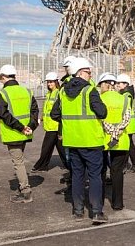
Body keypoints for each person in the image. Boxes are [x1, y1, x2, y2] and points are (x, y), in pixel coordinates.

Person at [51, 58, 108, 224]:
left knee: (77, 176)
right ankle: (96, 212)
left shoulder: (62, 92)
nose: (91, 75)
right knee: (95, 176)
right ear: (81, 73)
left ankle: (78, 211)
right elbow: (102, 112)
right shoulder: (90, 91)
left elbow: (55, 114)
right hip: (91, 141)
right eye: (89, 72)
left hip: (72, 141)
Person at [0, 64, 39, 204]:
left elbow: (3, 114)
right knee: (20, 160)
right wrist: (30, 127)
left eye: (1, 78)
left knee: (18, 162)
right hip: (26, 132)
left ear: (3, 77)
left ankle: (25, 192)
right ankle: (24, 188)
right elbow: (35, 111)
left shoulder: (2, 94)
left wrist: (20, 127)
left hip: (13, 133)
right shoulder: (27, 91)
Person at [102, 74, 132, 211]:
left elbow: (100, 120)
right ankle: (117, 203)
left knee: (100, 171)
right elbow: (127, 119)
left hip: (103, 140)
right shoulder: (124, 99)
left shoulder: (99, 99)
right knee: (117, 172)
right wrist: (116, 131)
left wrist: (110, 130)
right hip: (121, 140)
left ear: (104, 85)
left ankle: (99, 200)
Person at [32, 72, 69, 173]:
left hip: (55, 126)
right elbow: (47, 110)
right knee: (61, 148)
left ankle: (41, 165)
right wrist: (41, 119)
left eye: (51, 82)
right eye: (48, 82)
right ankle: (69, 165)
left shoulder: (59, 93)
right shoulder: (49, 94)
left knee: (46, 147)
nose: (49, 84)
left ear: (56, 82)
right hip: (49, 125)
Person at [116, 74, 135, 173]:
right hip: (130, 123)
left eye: (119, 83)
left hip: (128, 124)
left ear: (125, 84)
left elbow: (124, 110)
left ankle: (125, 165)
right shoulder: (127, 93)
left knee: (126, 145)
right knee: (129, 144)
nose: (117, 85)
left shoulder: (126, 95)